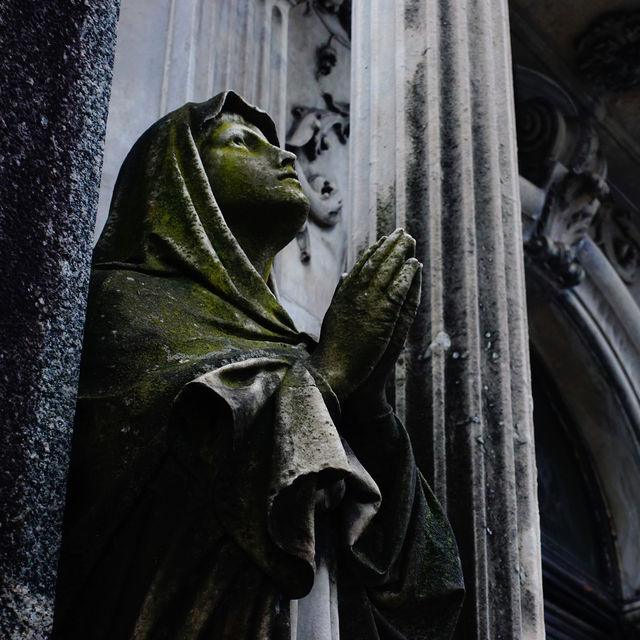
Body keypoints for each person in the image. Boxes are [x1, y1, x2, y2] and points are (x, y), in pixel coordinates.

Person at [53, 91, 463, 639]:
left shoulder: (292, 350)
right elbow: (146, 487)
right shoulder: (117, 302)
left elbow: (424, 595)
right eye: (243, 142)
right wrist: (332, 375)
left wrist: (370, 409)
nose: (288, 157)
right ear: (181, 185)